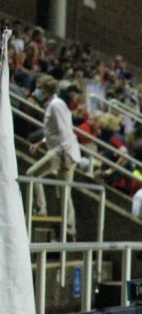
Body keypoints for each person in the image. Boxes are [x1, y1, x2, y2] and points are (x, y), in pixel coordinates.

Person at [26, 75, 81, 240]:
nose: (36, 91)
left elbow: (64, 131)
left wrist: (63, 154)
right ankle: (71, 231)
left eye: (39, 88)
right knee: (64, 191)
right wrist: (41, 143)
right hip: (67, 151)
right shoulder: (57, 104)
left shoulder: (56, 105)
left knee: (32, 174)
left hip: (62, 152)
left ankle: (41, 209)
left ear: (44, 90)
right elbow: (55, 130)